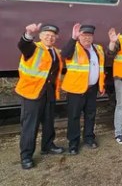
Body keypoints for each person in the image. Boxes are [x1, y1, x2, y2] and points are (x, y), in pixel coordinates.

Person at [15, 23, 64, 170]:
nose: (50, 37)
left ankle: (47, 146)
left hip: (48, 93)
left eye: (53, 36)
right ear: (41, 36)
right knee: (30, 126)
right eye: (47, 35)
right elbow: (23, 45)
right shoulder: (33, 48)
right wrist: (28, 34)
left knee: (48, 122)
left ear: (56, 38)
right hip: (32, 93)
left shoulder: (55, 51)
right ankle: (26, 156)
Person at [62, 24, 105, 155]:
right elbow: (64, 55)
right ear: (79, 36)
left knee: (90, 115)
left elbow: (100, 68)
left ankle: (89, 138)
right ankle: (73, 144)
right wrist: (72, 38)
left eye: (89, 36)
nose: (87, 38)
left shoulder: (97, 48)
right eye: (84, 35)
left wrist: (101, 85)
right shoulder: (73, 47)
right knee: (74, 117)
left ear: (93, 37)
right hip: (75, 90)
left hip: (91, 89)